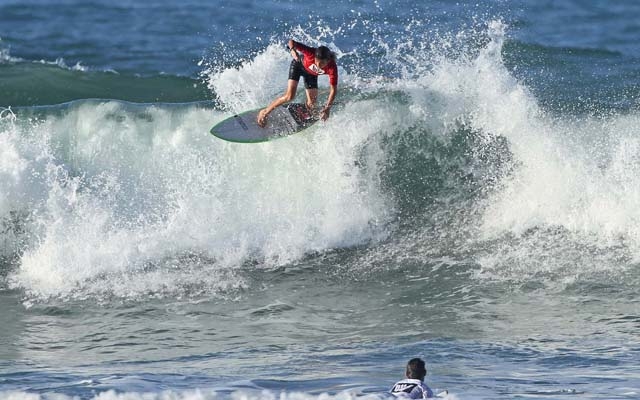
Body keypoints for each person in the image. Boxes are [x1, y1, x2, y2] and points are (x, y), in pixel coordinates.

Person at [257, 39, 338, 127]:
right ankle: (265, 112)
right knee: (289, 96)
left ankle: (303, 113)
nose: (318, 66)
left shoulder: (332, 68)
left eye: (322, 63)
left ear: (328, 60)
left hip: (311, 75)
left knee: (312, 105)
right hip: (298, 66)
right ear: (314, 56)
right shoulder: (310, 52)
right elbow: (292, 42)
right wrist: (293, 50)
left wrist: (327, 108)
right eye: (317, 62)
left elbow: (333, 90)